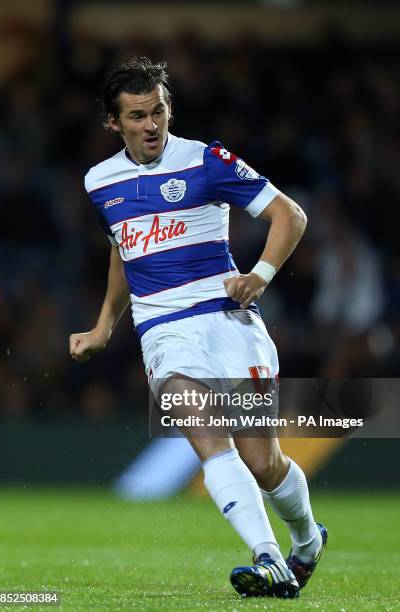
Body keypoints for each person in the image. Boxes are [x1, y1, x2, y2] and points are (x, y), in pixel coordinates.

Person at [69, 57, 327, 599]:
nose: (151, 124)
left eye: (158, 111)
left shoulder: (207, 161)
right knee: (207, 436)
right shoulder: (99, 182)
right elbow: (124, 252)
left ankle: (306, 539)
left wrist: (259, 275)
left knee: (264, 463)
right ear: (113, 123)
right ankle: (269, 558)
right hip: (163, 329)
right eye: (137, 115)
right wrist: (103, 328)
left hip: (230, 321)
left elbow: (290, 215)